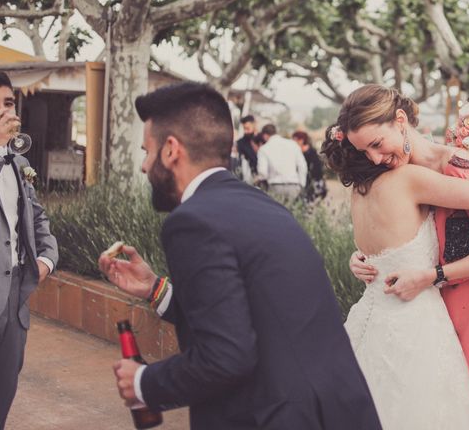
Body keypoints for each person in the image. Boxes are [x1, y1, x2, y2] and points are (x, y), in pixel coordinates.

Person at [98, 82, 382, 430]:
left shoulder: (191, 222)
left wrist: (144, 383)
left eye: (147, 151)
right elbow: (259, 312)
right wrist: (157, 289)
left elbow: (226, 356)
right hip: (335, 411)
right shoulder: (260, 204)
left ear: (171, 150)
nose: (144, 166)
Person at [328, 85, 469, 430]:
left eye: (377, 144)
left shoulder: (458, 166)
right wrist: (369, 256)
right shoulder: (392, 177)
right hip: (429, 304)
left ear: (401, 120)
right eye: (365, 151)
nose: (374, 158)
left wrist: (433, 274)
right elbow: (400, 236)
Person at [0, 66, 58, 430]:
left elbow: (36, 218)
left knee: (0, 404)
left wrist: (46, 258)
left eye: (8, 102)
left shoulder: (19, 161)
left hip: (15, 302)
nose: (3, 111)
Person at [256, 123, 308, 201]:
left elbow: (262, 173)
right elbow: (302, 166)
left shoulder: (263, 149)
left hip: (275, 187)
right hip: (293, 185)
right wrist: (302, 184)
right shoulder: (293, 144)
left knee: (277, 212)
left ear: (265, 135)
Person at [292, 130, 327, 201]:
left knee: (309, 200)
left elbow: (317, 168)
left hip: (311, 180)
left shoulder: (311, 151)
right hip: (302, 179)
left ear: (301, 140)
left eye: (295, 140)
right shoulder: (297, 151)